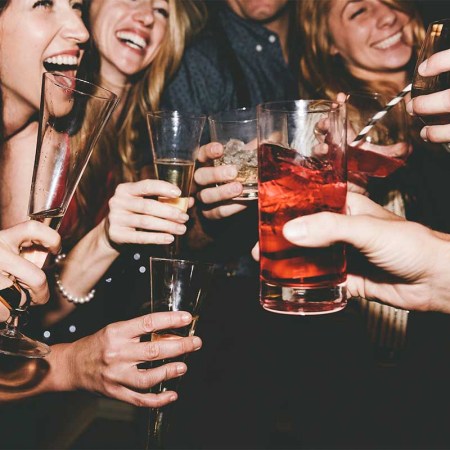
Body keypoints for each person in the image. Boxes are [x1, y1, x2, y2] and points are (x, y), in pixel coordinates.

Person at [0, 0, 203, 411]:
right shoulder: (47, 136)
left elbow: (22, 304)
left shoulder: (122, 139)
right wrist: (70, 365)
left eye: (162, 10)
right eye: (43, 3)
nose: (79, 29)